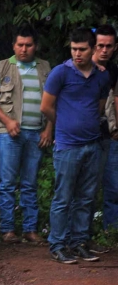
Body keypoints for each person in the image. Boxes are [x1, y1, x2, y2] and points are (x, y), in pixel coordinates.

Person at [41, 28, 110, 264]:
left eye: (82, 49)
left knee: (86, 198)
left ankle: (79, 242)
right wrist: (65, 125)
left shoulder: (102, 76)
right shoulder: (60, 73)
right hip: (68, 146)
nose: (77, 54)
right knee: (63, 197)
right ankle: (57, 245)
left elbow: (99, 106)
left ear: (92, 50)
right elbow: (46, 107)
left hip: (92, 145)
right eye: (73, 49)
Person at [0, 24, 52, 244]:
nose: (24, 49)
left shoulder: (45, 68)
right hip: (8, 134)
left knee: (30, 183)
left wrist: (49, 129)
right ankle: (7, 230)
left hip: (36, 134)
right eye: (20, 44)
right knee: (7, 183)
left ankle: (30, 230)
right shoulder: (2, 67)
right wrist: (7, 121)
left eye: (28, 45)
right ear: (14, 45)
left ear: (36, 46)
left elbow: (53, 102)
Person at [92, 25, 118, 244]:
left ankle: (110, 234)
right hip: (84, 138)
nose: (104, 50)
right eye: (100, 45)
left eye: (109, 46)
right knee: (83, 189)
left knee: (113, 187)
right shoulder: (78, 68)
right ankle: (81, 235)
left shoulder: (114, 71)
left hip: (110, 137)